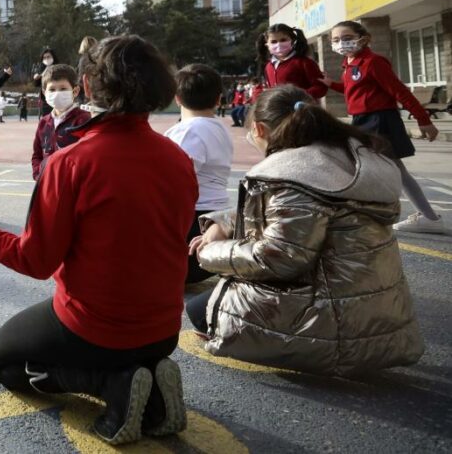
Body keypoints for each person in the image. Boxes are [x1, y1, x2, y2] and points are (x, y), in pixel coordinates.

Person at [0, 36, 197, 446]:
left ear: (86, 85)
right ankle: (150, 389)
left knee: (2, 360)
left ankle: (111, 385)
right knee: (126, 344)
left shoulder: (72, 162)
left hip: (95, 329)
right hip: (164, 329)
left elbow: (35, 259)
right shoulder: (177, 159)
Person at [187, 85, 424, 375]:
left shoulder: (293, 176)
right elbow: (283, 216)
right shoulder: (343, 159)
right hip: (379, 315)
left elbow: (278, 258)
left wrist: (209, 252)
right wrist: (221, 224)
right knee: (211, 302)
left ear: (260, 129)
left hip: (334, 325)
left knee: (202, 310)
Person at [317, 20, 447, 234]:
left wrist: (423, 120)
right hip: (362, 120)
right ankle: (426, 217)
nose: (341, 43)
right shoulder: (350, 63)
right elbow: (355, 91)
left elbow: (400, 92)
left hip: (380, 120)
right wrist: (332, 85)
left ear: (363, 38)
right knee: (374, 167)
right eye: (336, 39)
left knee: (394, 170)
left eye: (347, 38)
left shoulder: (373, 61)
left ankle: (428, 218)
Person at [164, 65, 233, 284]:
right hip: (215, 217)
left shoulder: (188, 131)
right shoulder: (218, 127)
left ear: (177, 99)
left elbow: (175, 180)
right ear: (218, 100)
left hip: (194, 223)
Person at [31, 64, 90, 181]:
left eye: (63, 89)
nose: (57, 93)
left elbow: (88, 157)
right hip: (47, 185)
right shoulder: (44, 122)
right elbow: (37, 154)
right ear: (44, 92)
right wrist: (39, 173)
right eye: (52, 89)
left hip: (73, 186)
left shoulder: (83, 120)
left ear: (75, 91)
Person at [258, 23, 327, 100]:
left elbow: (321, 87)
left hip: (302, 109)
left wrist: (298, 96)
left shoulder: (304, 62)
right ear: (267, 44)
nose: (278, 44)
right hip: (278, 110)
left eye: (283, 40)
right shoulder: (268, 66)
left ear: (292, 40)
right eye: (274, 42)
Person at [32, 48, 59, 116]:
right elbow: (36, 84)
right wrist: (36, 79)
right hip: (46, 98)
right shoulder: (41, 68)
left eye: (48, 57)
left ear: (53, 57)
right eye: (44, 57)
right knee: (47, 118)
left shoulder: (58, 67)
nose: (46, 59)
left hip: (57, 96)